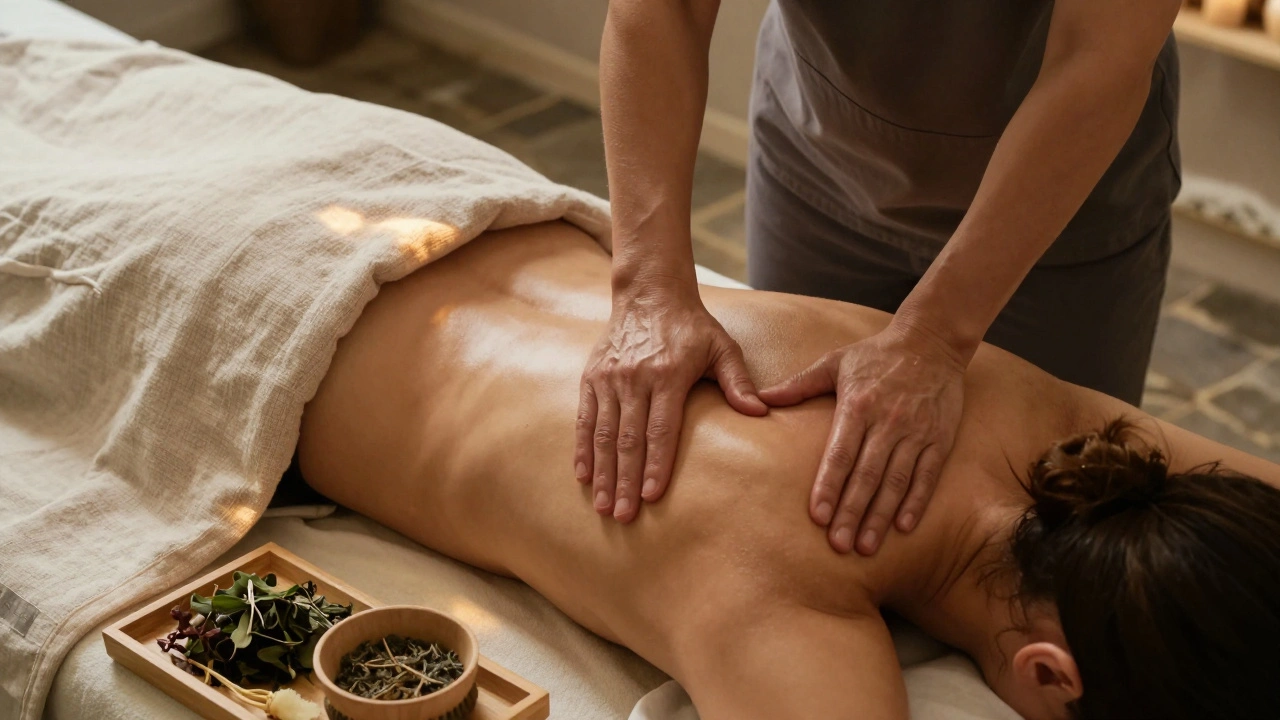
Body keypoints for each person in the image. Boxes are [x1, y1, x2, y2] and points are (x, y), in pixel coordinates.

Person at [297, 220, 1280, 720]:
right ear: (1047, 677)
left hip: (449, 220)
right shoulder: (789, 605)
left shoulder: (1047, 417)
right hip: (300, 341)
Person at [580, 0, 1184, 557]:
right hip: (822, 155)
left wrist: (935, 338)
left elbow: (1096, 58)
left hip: (1060, 212)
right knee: (793, 473)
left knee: (1070, 539)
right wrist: (646, 288)